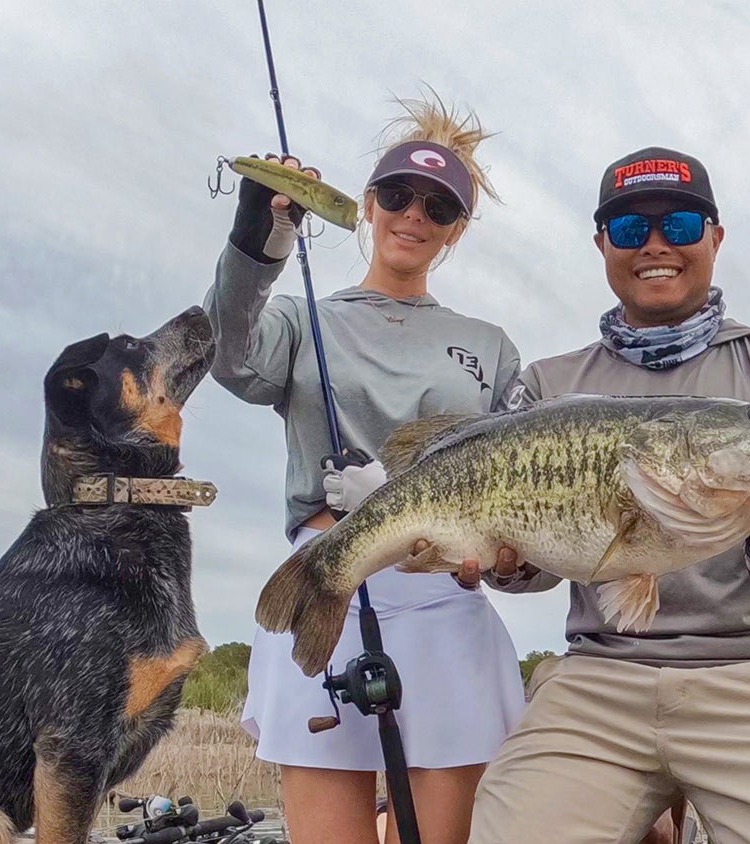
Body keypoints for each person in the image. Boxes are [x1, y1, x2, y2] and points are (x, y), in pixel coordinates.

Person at [459, 147, 750, 843]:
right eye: (629, 229)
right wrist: (506, 561)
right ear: (602, 245)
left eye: (680, 224)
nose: (656, 244)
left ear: (715, 236)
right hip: (599, 677)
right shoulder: (546, 388)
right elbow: (530, 573)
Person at [203, 94, 526, 844]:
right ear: (369, 205)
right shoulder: (300, 315)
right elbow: (227, 355)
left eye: (438, 206)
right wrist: (260, 235)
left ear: (456, 230)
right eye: (397, 195)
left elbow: (514, 472)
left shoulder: (490, 345)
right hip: (322, 582)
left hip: (443, 597)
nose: (414, 214)